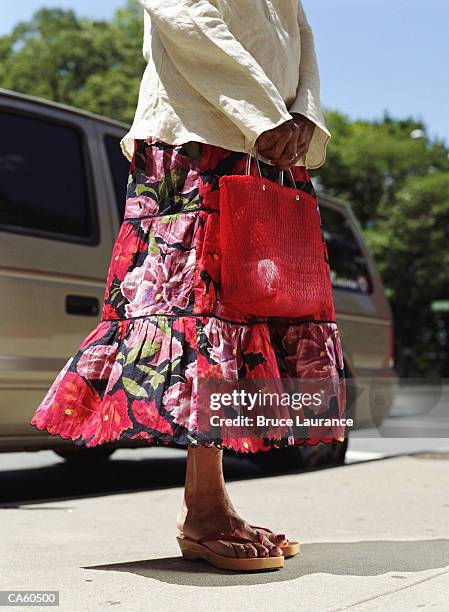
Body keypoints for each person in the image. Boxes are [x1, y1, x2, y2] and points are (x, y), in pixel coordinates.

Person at [30, 0, 346, 572]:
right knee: (201, 313)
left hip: (269, 145)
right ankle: (203, 508)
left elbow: (295, 26)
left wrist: (304, 116)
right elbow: (181, 11)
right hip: (199, 133)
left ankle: (211, 503)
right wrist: (263, 113)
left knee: (249, 312)